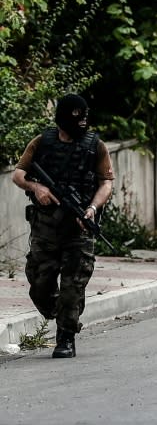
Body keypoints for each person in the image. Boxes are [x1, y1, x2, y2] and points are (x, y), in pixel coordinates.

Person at [12, 93, 115, 358]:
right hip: (45, 228)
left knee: (73, 286)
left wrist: (91, 208)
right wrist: (37, 188)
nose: (81, 124)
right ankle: (63, 315)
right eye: (75, 118)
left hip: (79, 228)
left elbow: (106, 183)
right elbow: (18, 175)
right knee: (39, 285)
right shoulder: (42, 142)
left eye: (84, 119)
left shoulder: (96, 146)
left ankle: (66, 337)